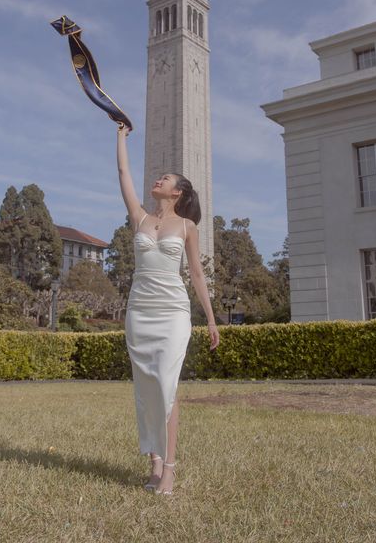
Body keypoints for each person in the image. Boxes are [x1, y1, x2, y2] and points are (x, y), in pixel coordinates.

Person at [117, 122, 220, 496]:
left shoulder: (188, 225)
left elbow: (195, 273)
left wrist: (210, 319)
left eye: (164, 178)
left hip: (173, 313)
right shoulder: (140, 218)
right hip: (139, 311)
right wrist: (121, 136)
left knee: (167, 387)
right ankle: (154, 462)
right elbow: (123, 173)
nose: (156, 181)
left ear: (177, 191)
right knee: (146, 390)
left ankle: (171, 469)